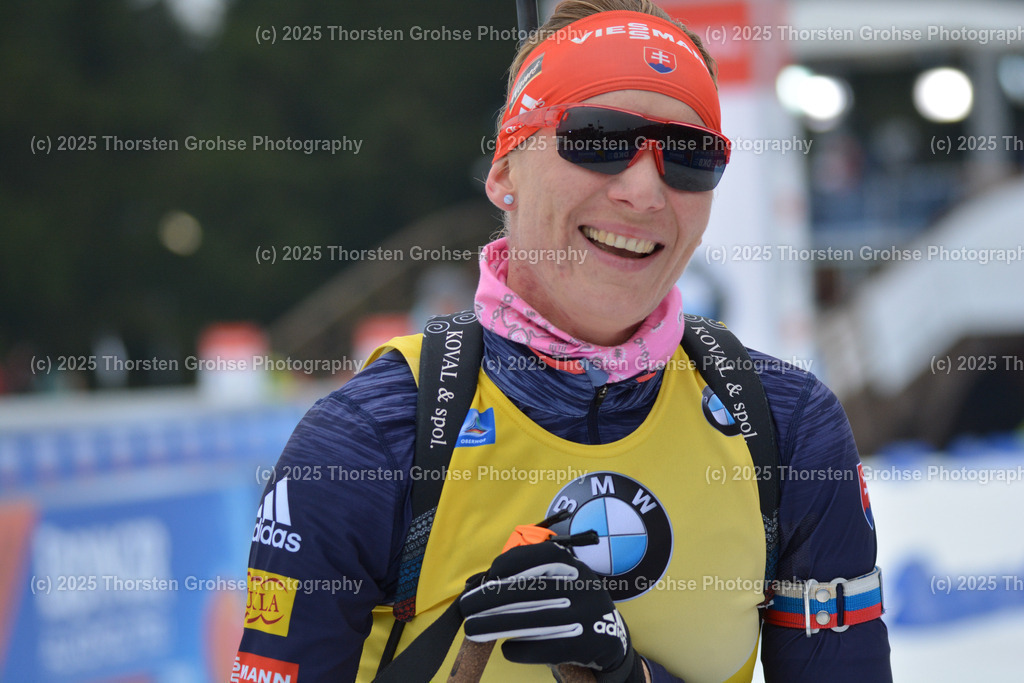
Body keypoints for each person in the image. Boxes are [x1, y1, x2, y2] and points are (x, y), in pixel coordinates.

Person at [233, 1, 892, 681]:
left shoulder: (786, 427)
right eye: (598, 137)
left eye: (689, 156)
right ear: (503, 173)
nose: (643, 191)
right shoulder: (367, 441)